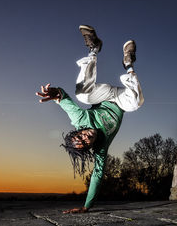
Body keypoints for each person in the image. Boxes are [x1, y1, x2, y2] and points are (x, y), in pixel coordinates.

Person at [36, 25, 144, 213]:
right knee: (136, 104)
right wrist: (87, 207)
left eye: (82, 135)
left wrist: (55, 93)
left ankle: (94, 49)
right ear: (89, 147)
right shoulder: (101, 148)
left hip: (104, 95)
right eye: (86, 142)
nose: (87, 136)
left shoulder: (79, 119)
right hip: (120, 99)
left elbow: (64, 97)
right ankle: (128, 63)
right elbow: (97, 175)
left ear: (78, 130)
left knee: (82, 96)